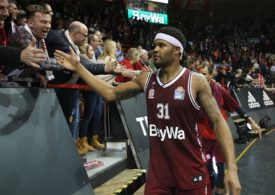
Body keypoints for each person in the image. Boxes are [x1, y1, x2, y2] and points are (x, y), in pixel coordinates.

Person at [54, 26, 241, 194]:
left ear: (177, 51)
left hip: (191, 171)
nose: (155, 49)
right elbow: (110, 93)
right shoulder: (147, 79)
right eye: (154, 45)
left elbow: (218, 121)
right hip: (158, 177)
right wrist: (78, 67)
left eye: (161, 45)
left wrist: (232, 169)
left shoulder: (195, 81)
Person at [198, 63, 261, 194]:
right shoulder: (194, 91)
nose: (201, 76)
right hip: (203, 138)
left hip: (219, 136)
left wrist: (251, 121)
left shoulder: (219, 90)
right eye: (199, 73)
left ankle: (219, 189)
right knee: (207, 170)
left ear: (210, 75)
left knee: (220, 171)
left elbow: (236, 106)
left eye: (204, 73)